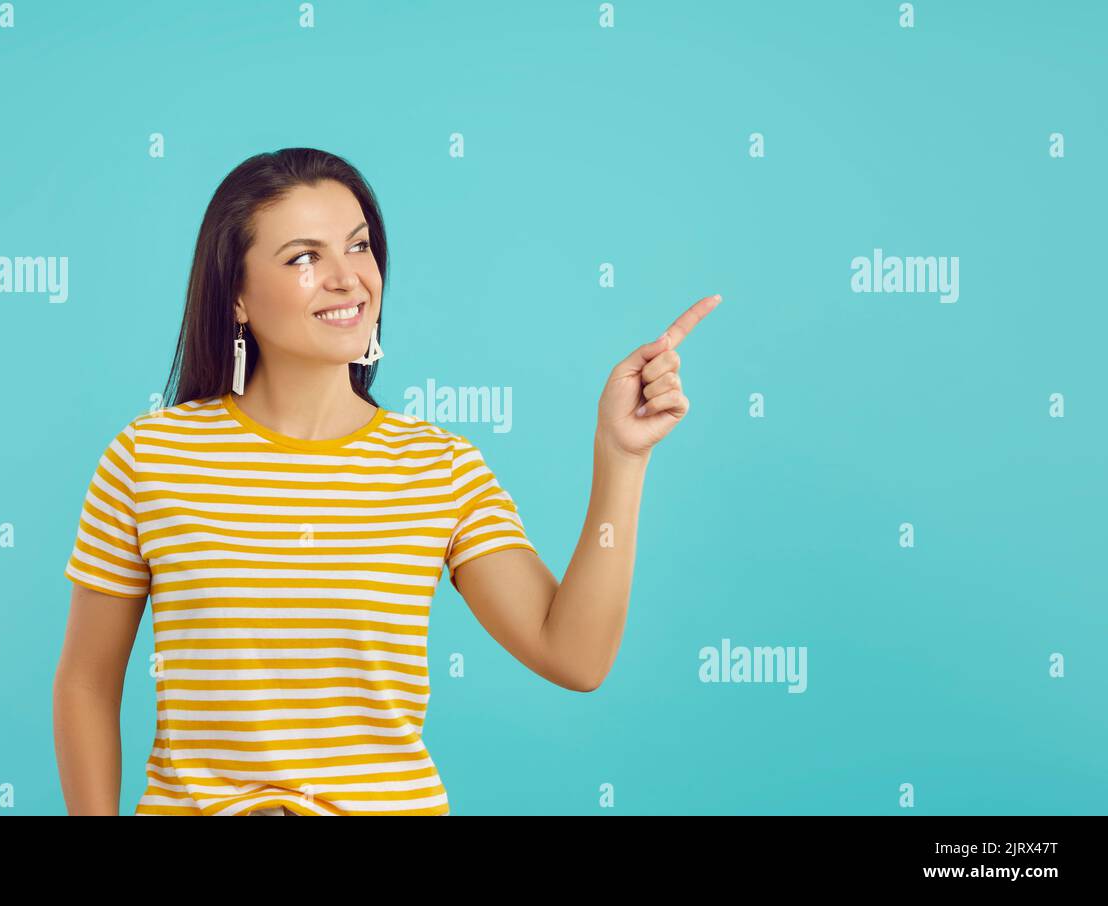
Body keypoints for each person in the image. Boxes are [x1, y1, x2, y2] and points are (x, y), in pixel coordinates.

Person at [52, 147, 722, 816]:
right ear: (237, 296)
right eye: (304, 258)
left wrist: (622, 457)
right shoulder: (150, 459)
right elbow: (86, 682)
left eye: (360, 247)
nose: (348, 279)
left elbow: (572, 655)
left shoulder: (441, 468)